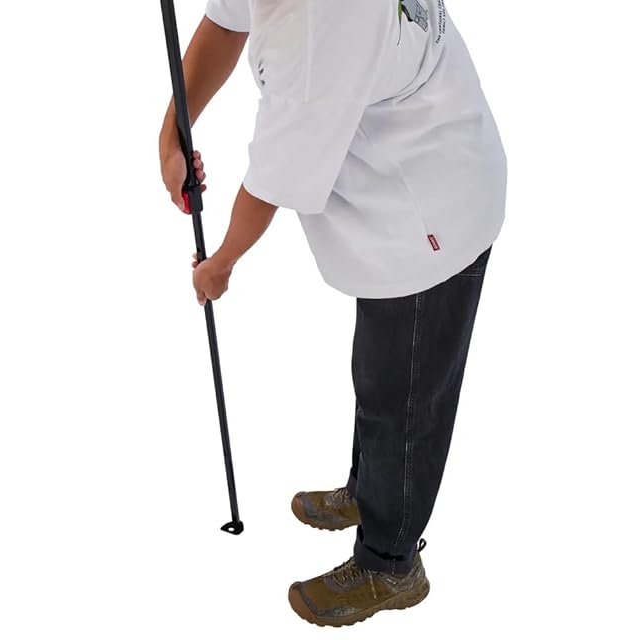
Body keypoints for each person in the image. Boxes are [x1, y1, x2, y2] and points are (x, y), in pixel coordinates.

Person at [158, 0, 506, 627]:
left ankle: (391, 563)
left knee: (404, 399)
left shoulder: (326, 23)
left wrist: (221, 264)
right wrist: (171, 135)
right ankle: (370, 492)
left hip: (434, 207)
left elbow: (272, 179)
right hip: (399, 186)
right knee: (379, 374)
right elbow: (225, 22)